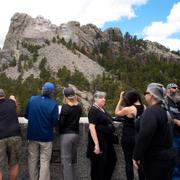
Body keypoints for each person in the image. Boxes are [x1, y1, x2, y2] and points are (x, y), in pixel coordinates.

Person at [133, 83, 177, 180]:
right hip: (168, 157)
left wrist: (136, 155)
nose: (144, 95)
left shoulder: (151, 112)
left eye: (145, 93)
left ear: (151, 95)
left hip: (156, 160)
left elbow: (145, 135)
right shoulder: (166, 110)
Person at [25, 82, 59, 180]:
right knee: (44, 161)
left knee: (32, 160)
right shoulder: (53, 104)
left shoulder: (32, 99)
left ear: (42, 89)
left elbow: (26, 115)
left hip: (32, 135)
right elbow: (54, 122)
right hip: (46, 137)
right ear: (51, 93)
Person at [115, 89, 145, 180]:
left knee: (128, 162)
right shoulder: (144, 107)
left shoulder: (129, 109)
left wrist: (120, 100)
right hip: (139, 137)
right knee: (140, 162)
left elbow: (116, 112)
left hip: (128, 137)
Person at [87, 91, 117, 180]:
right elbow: (92, 128)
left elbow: (109, 119)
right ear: (95, 99)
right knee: (98, 165)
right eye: (101, 97)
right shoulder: (93, 110)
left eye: (104, 97)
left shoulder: (101, 109)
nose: (103, 99)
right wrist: (96, 144)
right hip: (99, 141)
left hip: (106, 140)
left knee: (112, 160)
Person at [59, 87, 82, 180]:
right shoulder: (79, 108)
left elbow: (61, 123)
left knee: (66, 161)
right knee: (73, 161)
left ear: (65, 96)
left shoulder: (65, 107)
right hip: (75, 135)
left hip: (66, 136)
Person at [0, 89, 22, 180]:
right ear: (4, 96)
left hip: (0, 137)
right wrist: (12, 97)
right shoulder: (11, 103)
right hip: (14, 135)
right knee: (14, 163)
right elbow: (13, 97)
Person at [166, 83, 180, 180]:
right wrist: (176, 121)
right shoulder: (166, 101)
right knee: (174, 159)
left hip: (178, 135)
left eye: (177, 88)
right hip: (173, 135)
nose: (176, 89)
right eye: (174, 88)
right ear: (168, 90)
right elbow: (167, 116)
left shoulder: (177, 102)